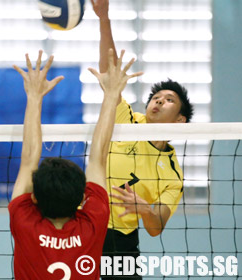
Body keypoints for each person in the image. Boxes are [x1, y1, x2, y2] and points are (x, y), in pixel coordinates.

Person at [9, 49, 142, 279]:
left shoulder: (23, 222)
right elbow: (99, 159)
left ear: (34, 198)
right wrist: (112, 94)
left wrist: (33, 96)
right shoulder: (93, 224)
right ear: (82, 200)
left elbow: (29, 158)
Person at [91, 0, 194, 278]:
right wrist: (103, 17)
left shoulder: (173, 174)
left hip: (121, 241)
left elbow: (155, 227)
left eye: (169, 100)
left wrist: (144, 208)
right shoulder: (128, 120)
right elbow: (109, 75)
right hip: (85, 224)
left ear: (180, 120)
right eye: (156, 98)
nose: (158, 101)